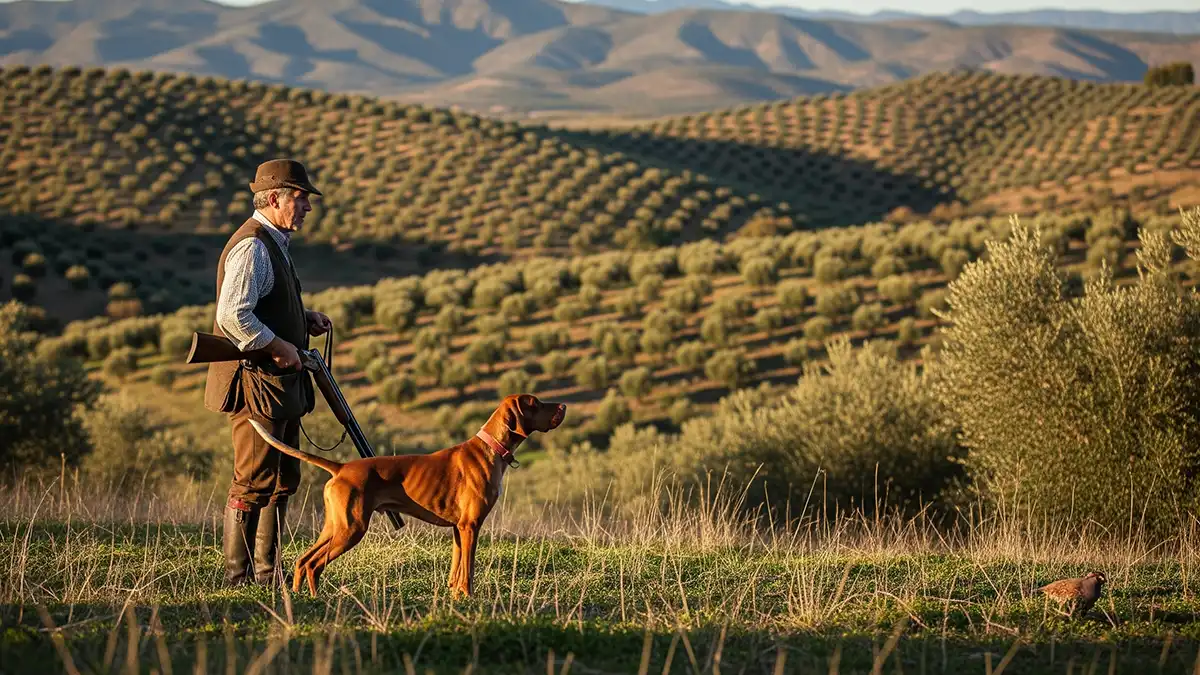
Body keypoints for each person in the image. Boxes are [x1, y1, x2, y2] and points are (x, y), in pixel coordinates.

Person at [203, 158, 332, 586]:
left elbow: (261, 303)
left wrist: (302, 316)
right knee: (253, 481)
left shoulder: (272, 241)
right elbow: (234, 315)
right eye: (301, 198)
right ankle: (238, 581)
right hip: (257, 384)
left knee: (281, 479)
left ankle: (267, 575)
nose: (308, 208)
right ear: (274, 199)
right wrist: (279, 346)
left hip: (274, 386)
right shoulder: (254, 245)